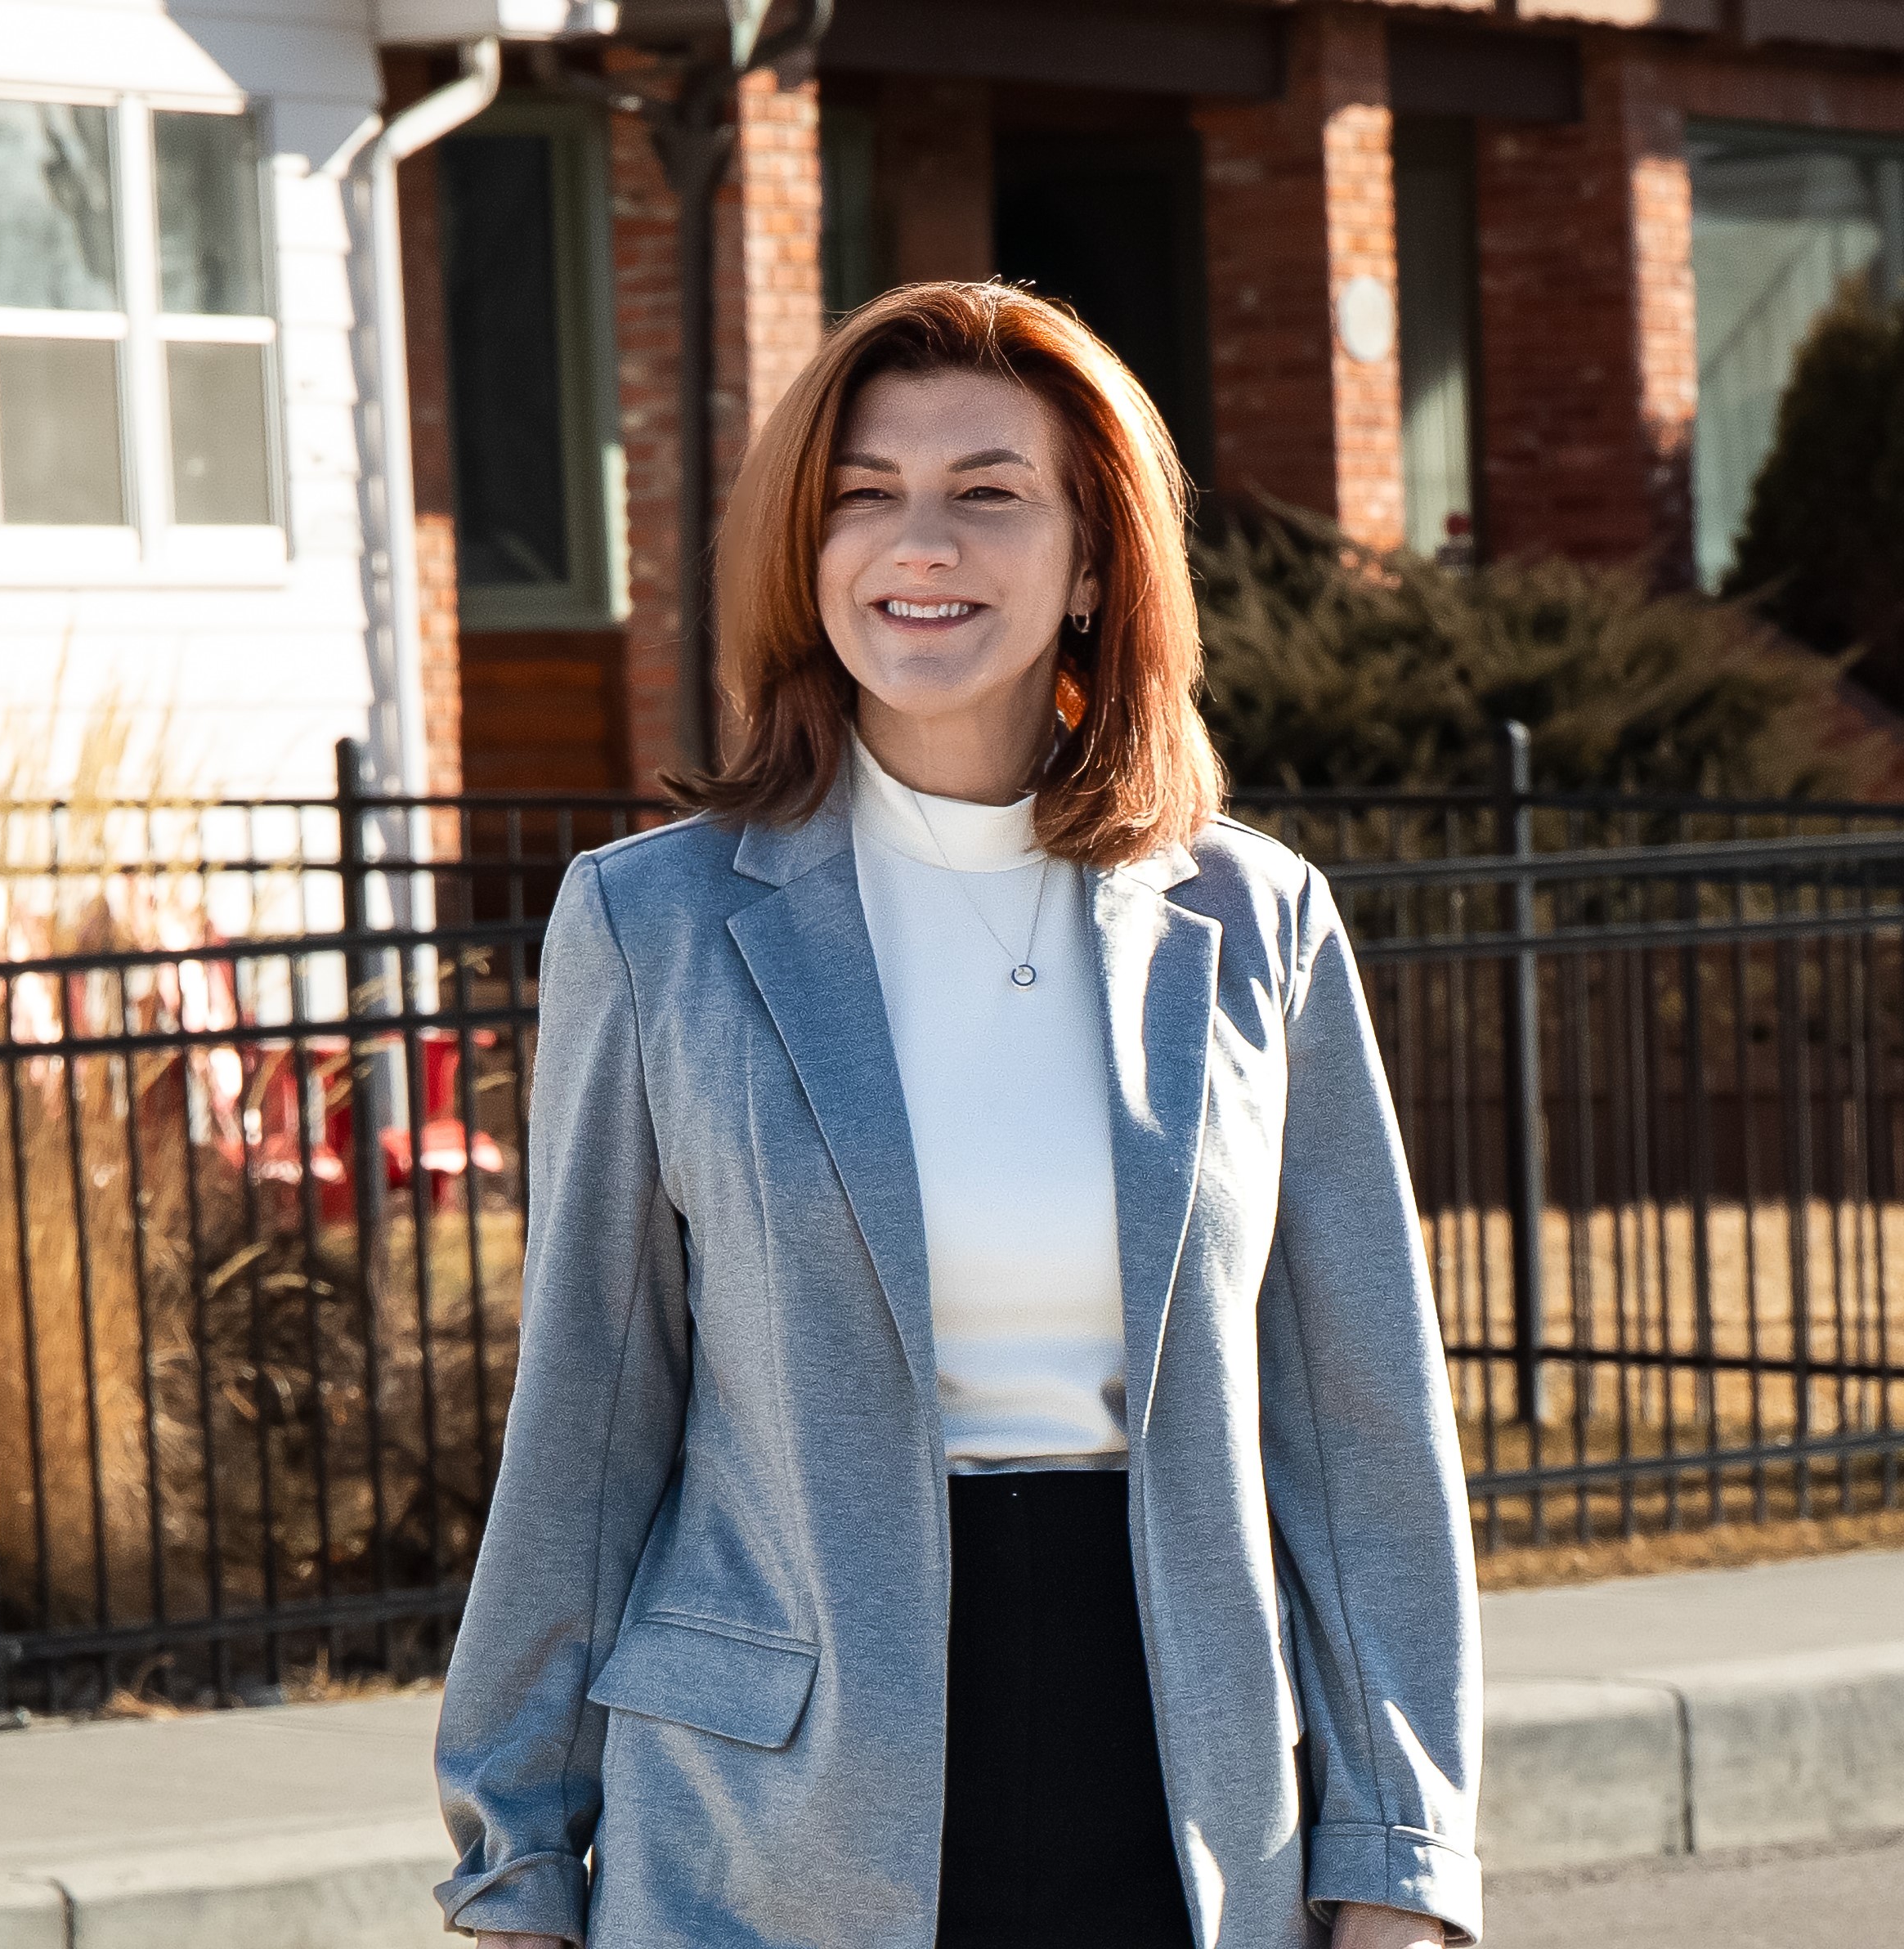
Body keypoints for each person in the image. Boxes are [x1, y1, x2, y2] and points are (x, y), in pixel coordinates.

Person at [433, 281, 1481, 1949]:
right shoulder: (652, 925)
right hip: (765, 1828)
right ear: (808, 554)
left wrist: (1400, 1858)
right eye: (864, 495)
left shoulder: (1253, 920)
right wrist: (514, 1862)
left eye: (988, 493)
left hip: (1183, 1802)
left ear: (1093, 563)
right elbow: (585, 1413)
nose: (918, 542)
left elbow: (1362, 1439)